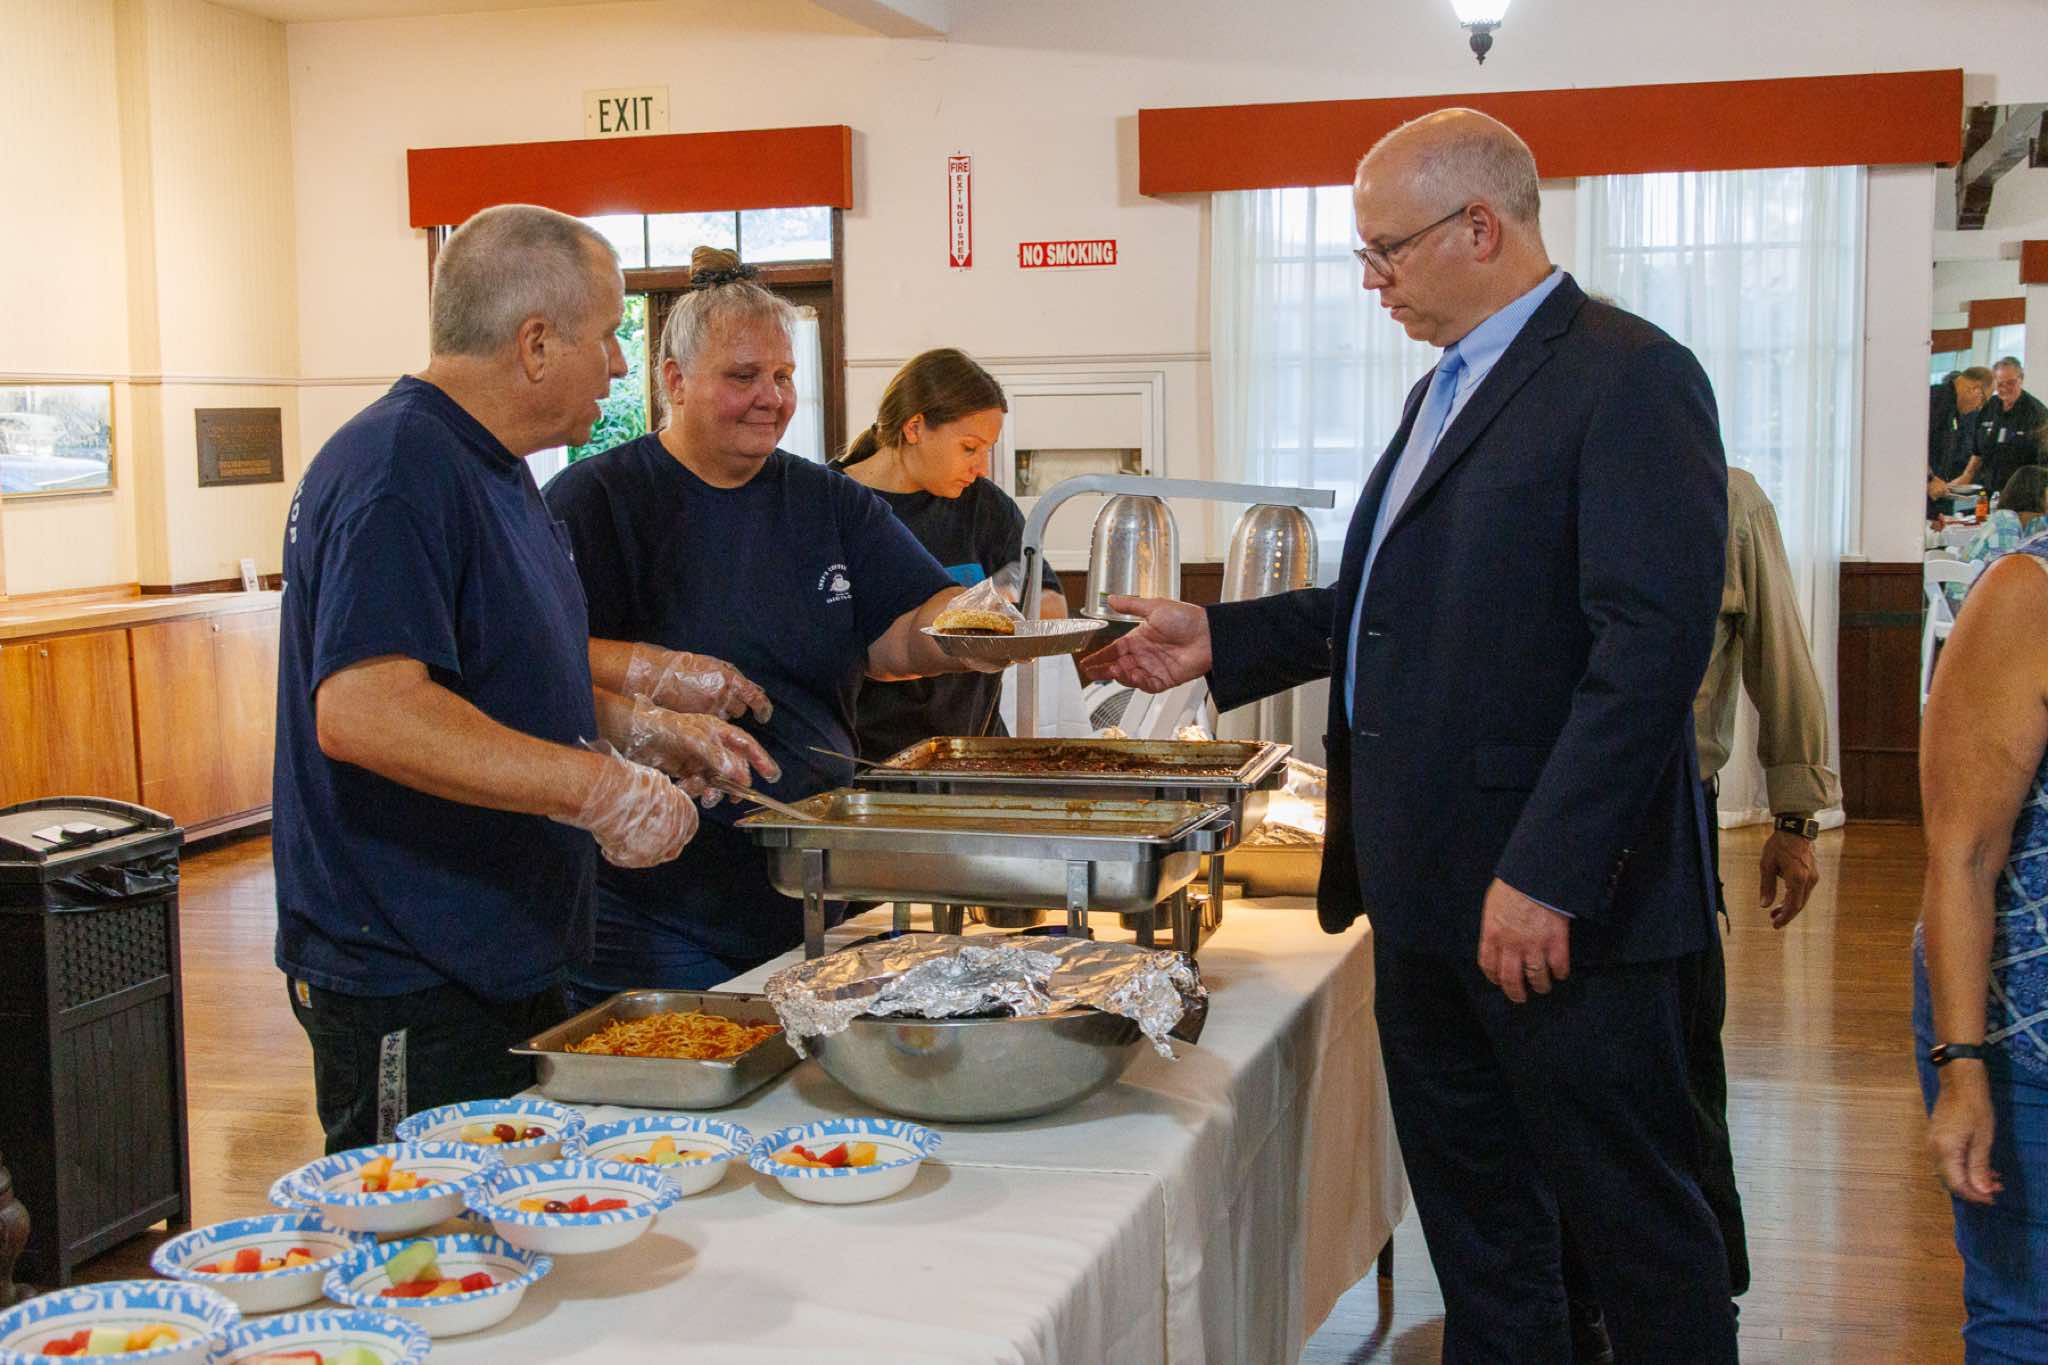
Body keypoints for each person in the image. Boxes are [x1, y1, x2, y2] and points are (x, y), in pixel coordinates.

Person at [1080, 109, 1736, 1361]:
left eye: (1384, 251)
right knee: (1480, 1228)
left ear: (1478, 227)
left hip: (1556, 908)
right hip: (1424, 891)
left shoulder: (1627, 375)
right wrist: (1214, 636)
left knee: (1634, 1231)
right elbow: (1393, 605)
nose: (1370, 280)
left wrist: (1546, 872)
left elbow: (1649, 650)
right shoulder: (1444, 384)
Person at [275, 204, 736, 1153]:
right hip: (412, 966)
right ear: (535, 344)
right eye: (608, 334)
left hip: (504, 950)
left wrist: (639, 729)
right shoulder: (399, 466)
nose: (620, 364)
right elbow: (366, 710)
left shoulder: (496, 465)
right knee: (427, 1226)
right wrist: (600, 791)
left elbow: (503, 677)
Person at [544, 249, 1001, 1006]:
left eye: (784, 376)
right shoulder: (597, 499)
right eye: (743, 376)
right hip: (652, 899)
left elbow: (895, 637)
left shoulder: (830, 501)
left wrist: (973, 632)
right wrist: (655, 685)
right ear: (674, 380)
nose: (772, 397)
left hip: (812, 876)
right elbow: (536, 657)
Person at [1558, 465, 1843, 1352]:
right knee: (1557, 1074)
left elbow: (1779, 655)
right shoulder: (1530, 479)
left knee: (1678, 1070)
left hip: (1668, 819)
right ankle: (1574, 1295)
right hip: (1531, 820)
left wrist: (1796, 816)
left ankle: (1700, 1293)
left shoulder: (1726, 495)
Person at [1918, 533, 2048, 1363]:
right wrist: (1961, 1068)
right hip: (2023, 1037)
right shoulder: (2028, 591)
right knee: (2025, 1323)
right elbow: (1961, 854)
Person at [832, 347, 1065, 762]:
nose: (982, 467)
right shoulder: (829, 502)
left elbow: (1051, 603)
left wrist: (997, 606)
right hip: (859, 759)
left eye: (987, 450)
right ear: (915, 427)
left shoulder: (984, 507)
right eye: (970, 448)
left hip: (969, 750)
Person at [1972, 357, 2048, 501]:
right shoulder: (1990, 406)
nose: (2005, 388)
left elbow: (2043, 463)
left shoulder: (2038, 413)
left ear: (2021, 379)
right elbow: (1977, 451)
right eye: (2000, 384)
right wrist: (1966, 475)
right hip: (1987, 490)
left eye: (2011, 382)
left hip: (2022, 494)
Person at [1930, 366, 1993, 493]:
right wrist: (1930, 479)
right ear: (1975, 389)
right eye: (1983, 400)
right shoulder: (1937, 400)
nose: (1979, 407)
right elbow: (1912, 444)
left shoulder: (1954, 408)